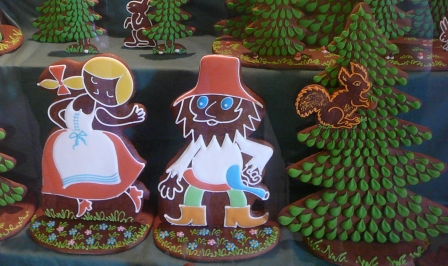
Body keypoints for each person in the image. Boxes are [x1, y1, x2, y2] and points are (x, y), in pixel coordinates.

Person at [158, 55, 273, 228]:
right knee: (193, 192)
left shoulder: (237, 140)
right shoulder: (199, 140)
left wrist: (255, 166)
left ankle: (240, 218)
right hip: (199, 176)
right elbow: (185, 158)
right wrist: (174, 174)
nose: (210, 112)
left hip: (230, 180)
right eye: (202, 102)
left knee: (236, 194)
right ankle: (191, 218)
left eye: (226, 104)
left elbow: (265, 151)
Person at [39, 56, 147, 216]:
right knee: (74, 169)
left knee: (94, 170)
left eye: (107, 89)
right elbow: (58, 113)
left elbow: (110, 119)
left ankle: (120, 194)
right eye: (95, 84)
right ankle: (83, 199)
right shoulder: (79, 101)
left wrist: (131, 117)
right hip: (75, 140)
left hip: (84, 141)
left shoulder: (92, 104)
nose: (101, 92)